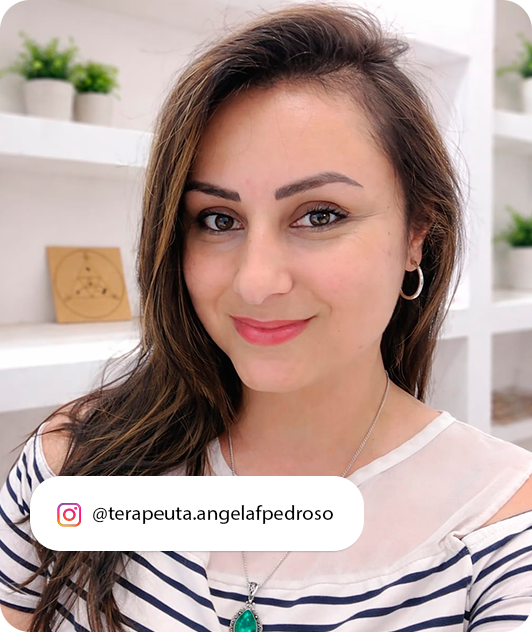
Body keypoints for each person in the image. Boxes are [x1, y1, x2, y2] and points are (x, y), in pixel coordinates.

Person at [2, 2, 532, 631]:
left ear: (417, 233)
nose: (256, 282)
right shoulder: (76, 459)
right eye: (218, 220)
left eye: (319, 215)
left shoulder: (498, 536)